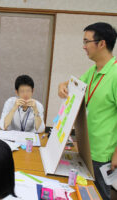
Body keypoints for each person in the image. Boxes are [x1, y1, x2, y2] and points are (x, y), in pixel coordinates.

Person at [58, 22, 117, 200]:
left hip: (103, 153)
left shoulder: (115, 74)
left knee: (100, 195)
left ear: (101, 43)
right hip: (86, 147)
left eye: (86, 41)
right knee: (85, 194)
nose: (83, 46)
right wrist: (62, 85)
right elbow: (74, 85)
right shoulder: (93, 71)